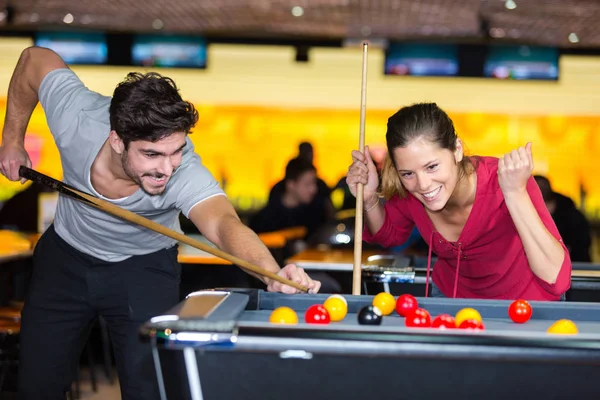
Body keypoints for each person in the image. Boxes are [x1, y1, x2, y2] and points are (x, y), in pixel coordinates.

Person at [0, 46, 320, 400]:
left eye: (176, 150)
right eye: (152, 154)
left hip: (144, 271)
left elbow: (223, 224)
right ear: (117, 140)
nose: (167, 168)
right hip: (66, 260)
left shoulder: (183, 171)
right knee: (35, 387)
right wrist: (11, 140)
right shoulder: (78, 118)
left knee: (152, 391)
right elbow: (34, 58)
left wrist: (269, 272)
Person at [346, 102, 571, 301]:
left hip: (523, 307)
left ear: (457, 150)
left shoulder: (506, 180)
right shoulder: (411, 190)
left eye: (432, 166)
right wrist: (368, 199)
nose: (422, 184)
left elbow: (556, 279)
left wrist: (514, 192)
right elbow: (389, 235)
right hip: (452, 304)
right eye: (407, 173)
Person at [269, 142, 335, 221]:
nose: (314, 189)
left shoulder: (316, 212)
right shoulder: (277, 190)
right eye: (307, 184)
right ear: (291, 184)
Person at [534, 175, 592, 262]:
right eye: (536, 187)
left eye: (542, 187)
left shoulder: (570, 214)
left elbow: (581, 243)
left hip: (573, 264)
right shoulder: (521, 211)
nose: (540, 190)